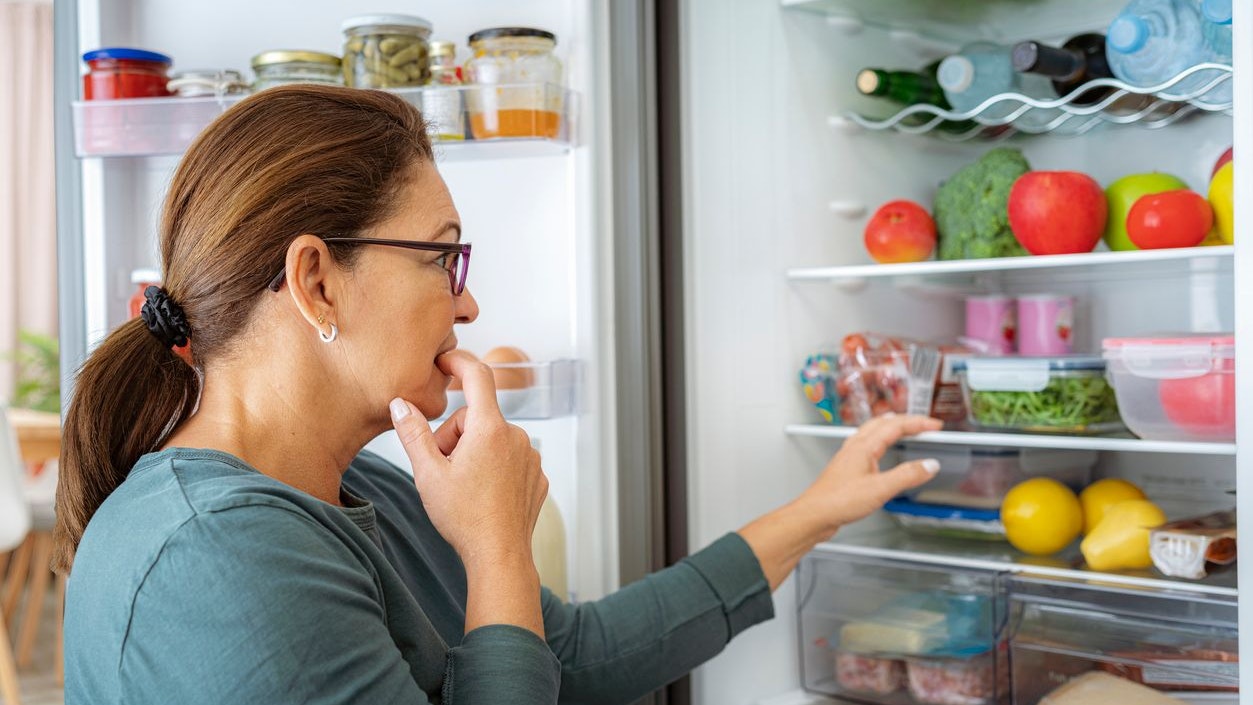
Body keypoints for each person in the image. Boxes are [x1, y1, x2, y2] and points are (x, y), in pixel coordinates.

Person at [55, 85, 943, 705]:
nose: (468, 303)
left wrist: (817, 508)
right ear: (317, 282)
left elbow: (572, 656)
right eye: (442, 257)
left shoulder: (362, 484)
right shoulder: (217, 560)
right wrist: (495, 549)